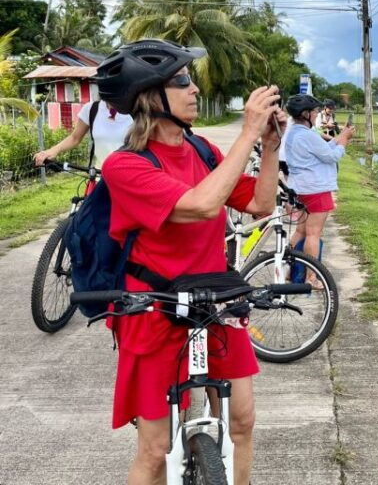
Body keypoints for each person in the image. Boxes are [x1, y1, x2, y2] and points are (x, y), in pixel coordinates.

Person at [95, 38, 286, 485]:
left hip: (212, 299)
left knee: (242, 421)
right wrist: (246, 133)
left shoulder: (203, 152)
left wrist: (270, 147)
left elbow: (260, 202)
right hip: (153, 307)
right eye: (181, 81)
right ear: (149, 98)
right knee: (155, 448)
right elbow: (200, 204)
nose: (194, 88)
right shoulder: (126, 166)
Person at [284, 94, 354, 284]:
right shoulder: (307, 135)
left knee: (300, 232)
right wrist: (345, 141)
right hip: (316, 189)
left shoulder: (294, 132)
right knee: (313, 234)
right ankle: (311, 277)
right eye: (314, 112)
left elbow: (322, 149)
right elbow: (331, 157)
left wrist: (339, 137)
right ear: (306, 114)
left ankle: (287, 268)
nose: (316, 115)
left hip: (299, 188)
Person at [33, 98, 133, 169]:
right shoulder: (92, 109)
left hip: (132, 176)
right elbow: (75, 138)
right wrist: (53, 150)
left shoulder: (138, 109)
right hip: (101, 176)